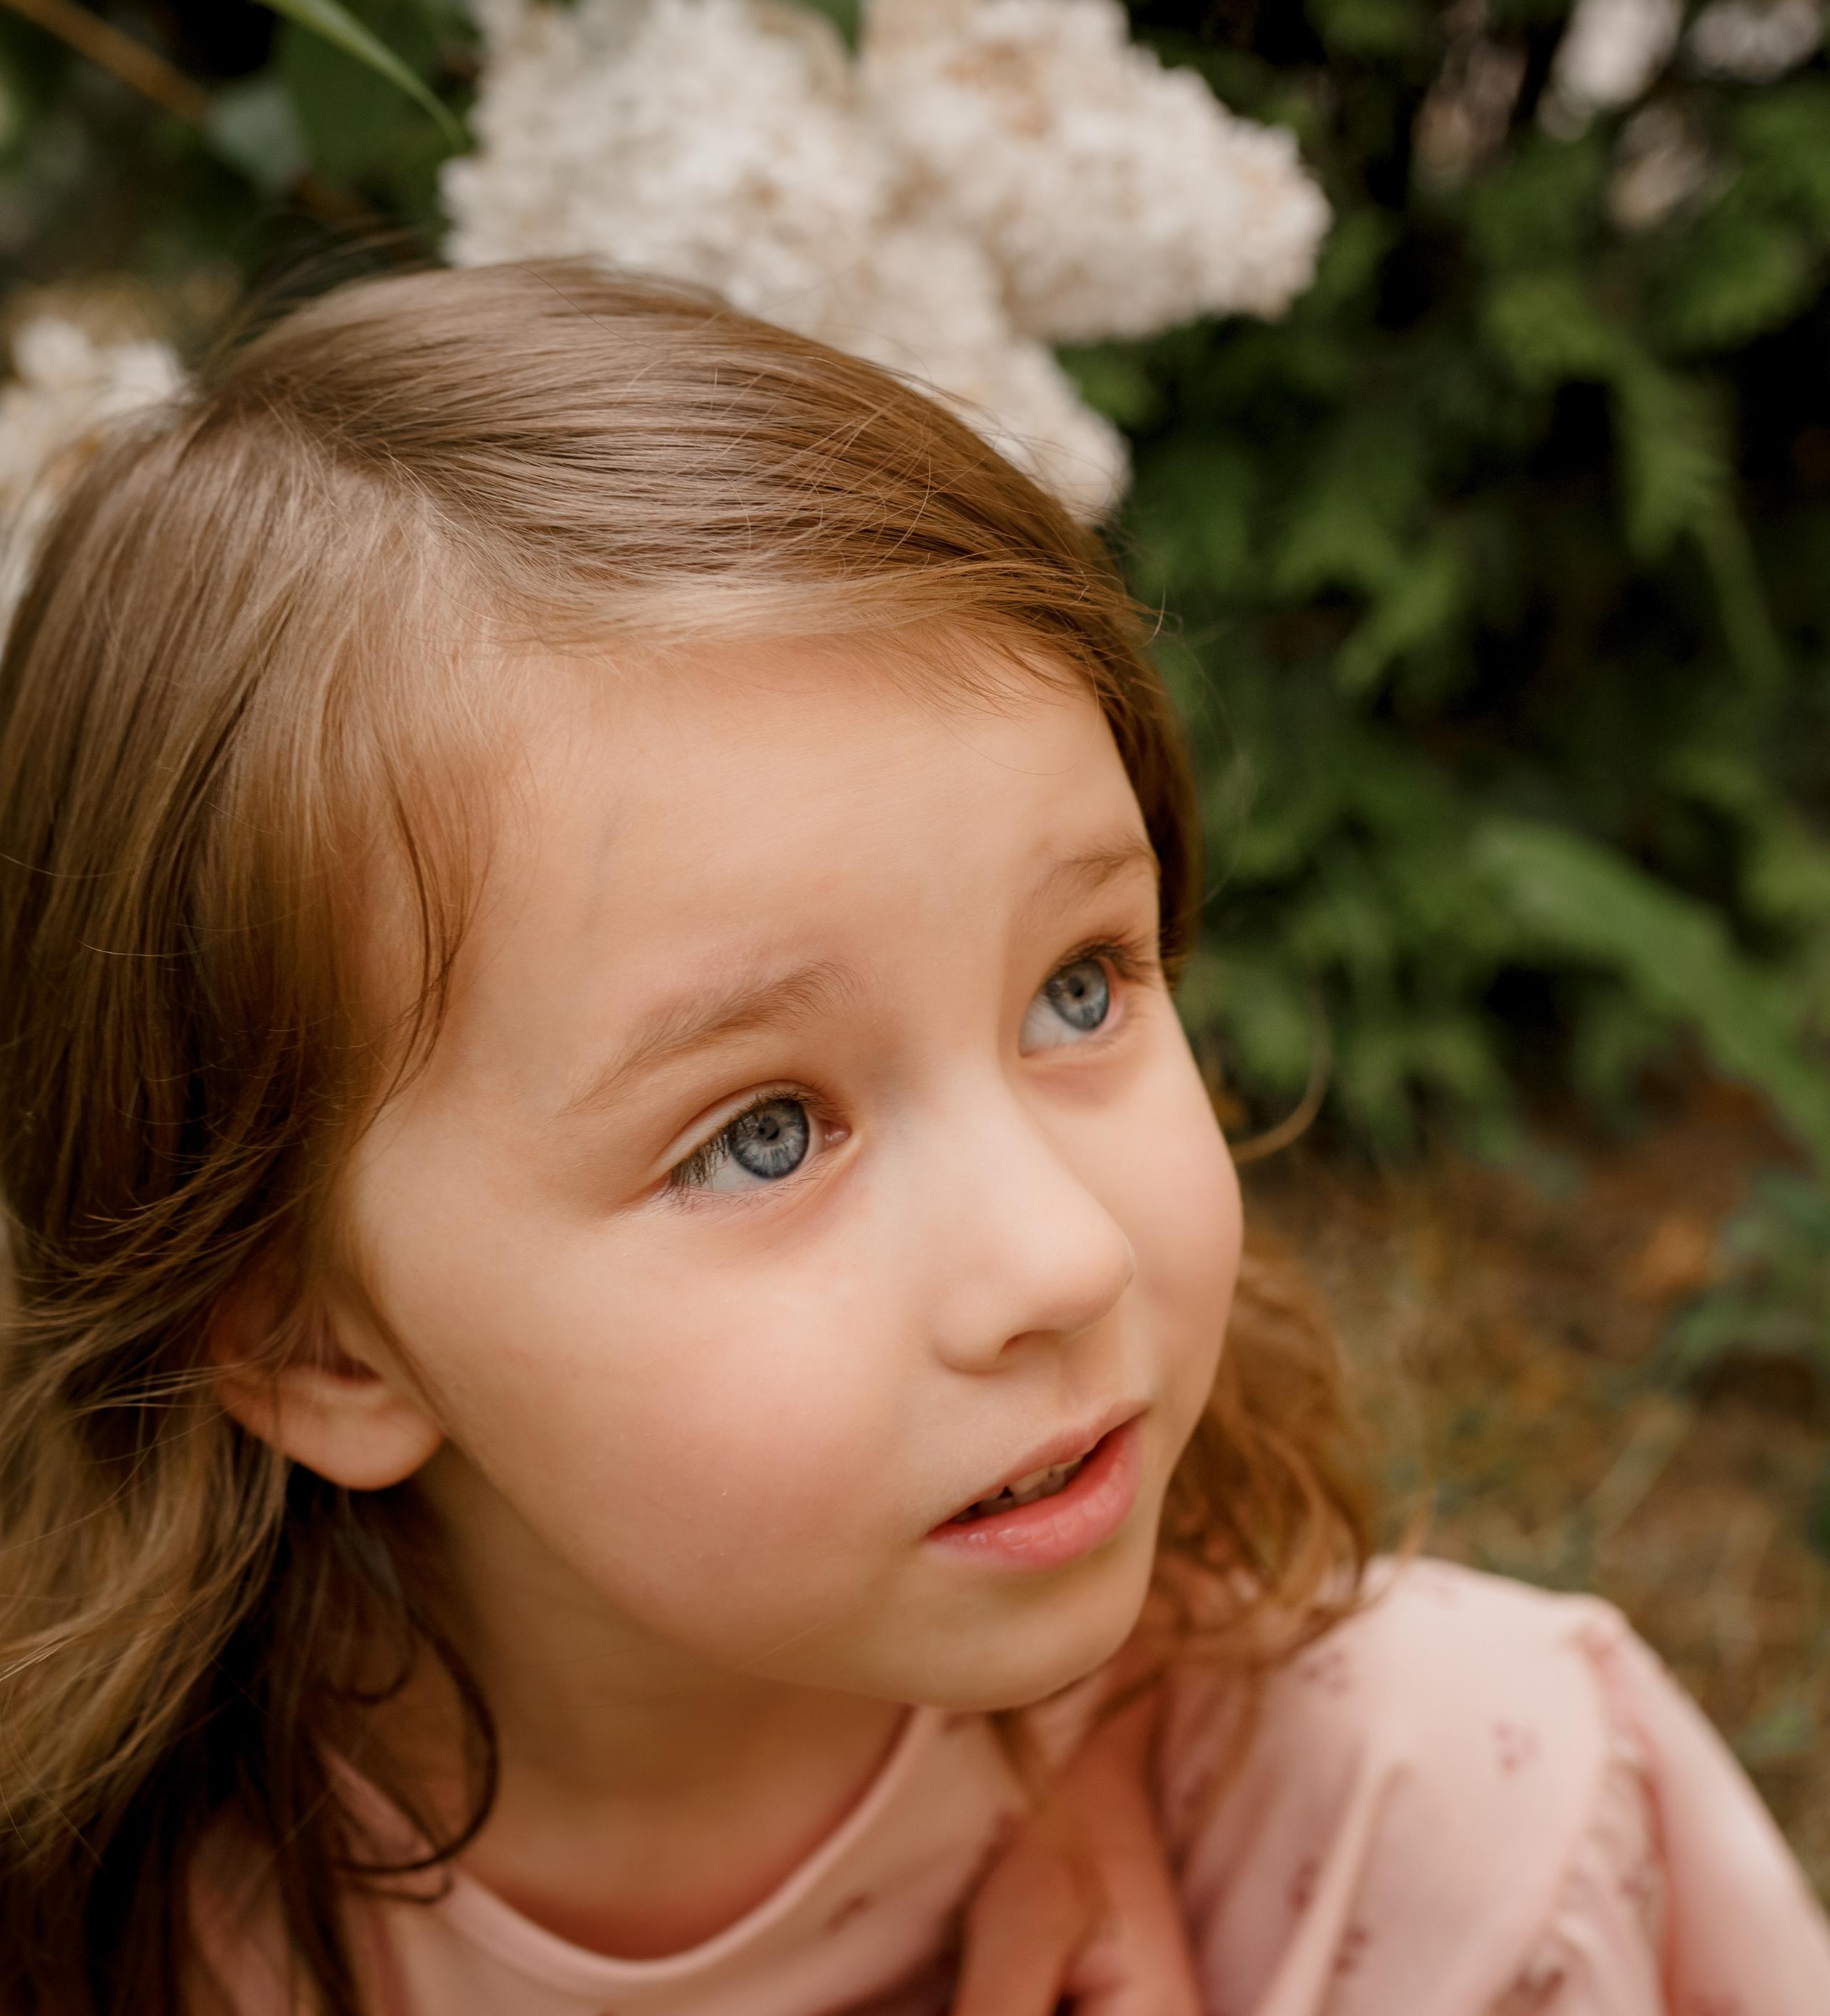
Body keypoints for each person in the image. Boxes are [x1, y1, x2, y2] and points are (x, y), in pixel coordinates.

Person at [0, 263, 1824, 2016]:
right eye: (761, 1136)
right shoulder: (97, 1904)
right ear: (312, 1338)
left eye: (1077, 989)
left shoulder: (1428, 1831)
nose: (1064, 1256)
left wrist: (1111, 1764)